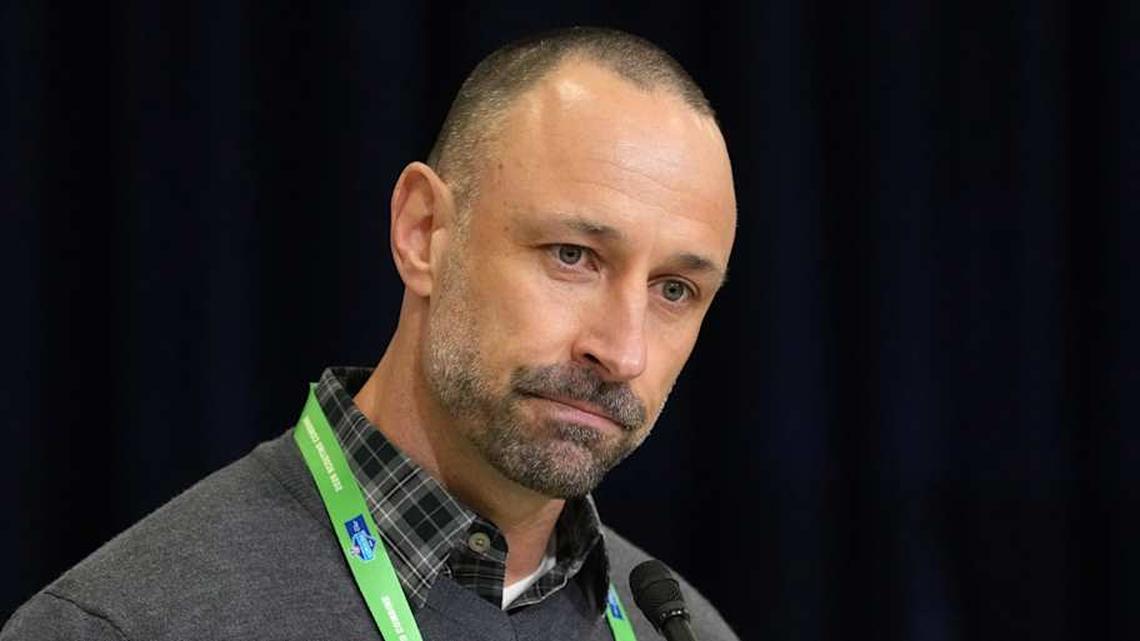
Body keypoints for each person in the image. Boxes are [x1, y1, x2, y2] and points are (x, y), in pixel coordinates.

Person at [2, 26, 739, 640]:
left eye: (674, 289)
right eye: (572, 257)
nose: (621, 350)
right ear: (423, 233)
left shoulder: (680, 628)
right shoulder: (125, 624)